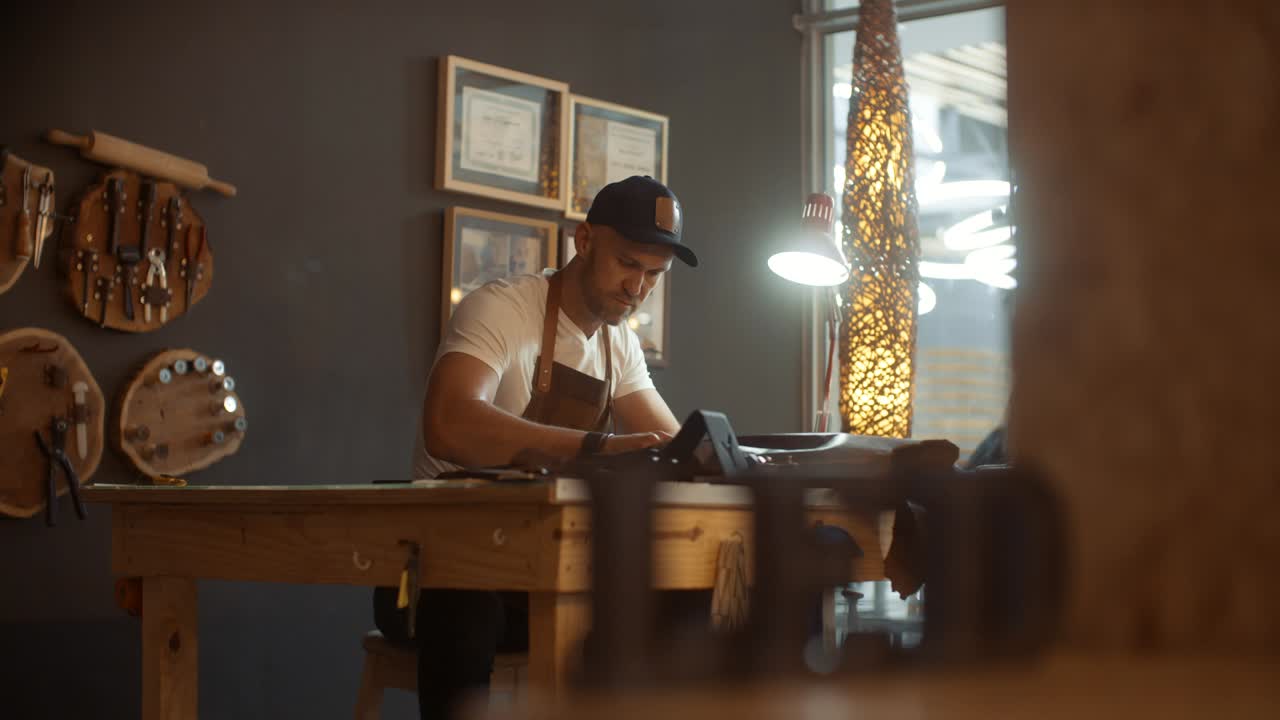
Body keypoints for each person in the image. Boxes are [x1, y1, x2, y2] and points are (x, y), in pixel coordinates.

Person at [374, 175, 697, 720]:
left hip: (536, 570)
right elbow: (448, 423)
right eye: (627, 263)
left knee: (676, 598)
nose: (637, 288)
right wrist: (598, 448)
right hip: (430, 572)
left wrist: (716, 455)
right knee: (466, 601)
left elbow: (672, 447)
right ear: (584, 239)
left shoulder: (620, 347)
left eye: (653, 275)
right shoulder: (502, 310)